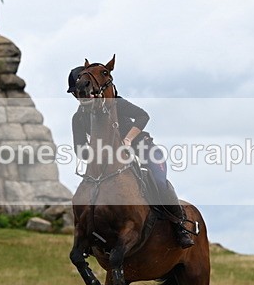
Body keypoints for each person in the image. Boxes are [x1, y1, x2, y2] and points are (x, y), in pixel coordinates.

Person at [67, 64, 195, 249]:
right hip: (111, 161)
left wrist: (127, 140)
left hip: (144, 149)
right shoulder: (78, 118)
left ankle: (180, 226)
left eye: (83, 91)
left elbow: (143, 116)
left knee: (159, 181)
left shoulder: (115, 104)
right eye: (76, 93)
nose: (80, 96)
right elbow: (80, 150)